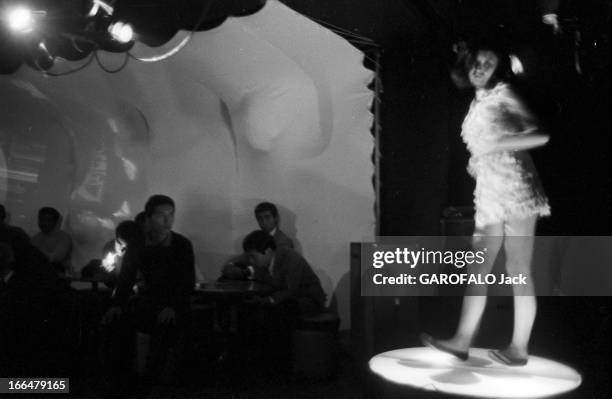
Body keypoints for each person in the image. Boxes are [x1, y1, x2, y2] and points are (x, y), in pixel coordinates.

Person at [422, 40, 550, 366]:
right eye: (477, 62)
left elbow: (539, 135)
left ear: (497, 69)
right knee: (479, 266)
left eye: (488, 64)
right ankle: (462, 339)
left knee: (518, 269)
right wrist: (479, 159)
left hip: (516, 186)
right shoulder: (477, 102)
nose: (480, 68)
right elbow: (483, 144)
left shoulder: (504, 94)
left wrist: (499, 144)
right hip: (490, 190)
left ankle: (519, 348)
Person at [102, 195, 195, 383]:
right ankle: (121, 377)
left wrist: (173, 306)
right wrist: (117, 304)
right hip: (147, 299)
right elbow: (126, 277)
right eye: (162, 215)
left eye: (171, 215)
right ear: (149, 217)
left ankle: (153, 379)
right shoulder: (137, 244)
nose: (168, 220)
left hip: (172, 301)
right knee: (114, 320)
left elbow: (186, 281)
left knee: (160, 326)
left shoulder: (181, 244)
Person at [221, 201, 294, 280]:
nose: (264, 222)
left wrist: (246, 271)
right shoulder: (257, 237)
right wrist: (230, 264)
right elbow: (246, 257)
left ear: (276, 218)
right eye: (260, 218)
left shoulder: (284, 241)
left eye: (267, 217)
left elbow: (276, 269)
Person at [31, 207, 72, 276]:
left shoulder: (64, 237)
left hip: (56, 277)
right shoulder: (35, 238)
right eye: (41, 220)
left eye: (48, 220)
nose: (43, 223)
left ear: (55, 222)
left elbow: (57, 257)